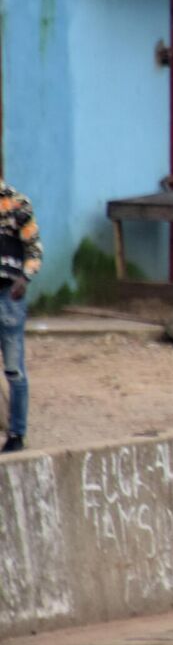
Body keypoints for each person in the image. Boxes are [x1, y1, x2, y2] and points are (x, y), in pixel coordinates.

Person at [0, 179, 39, 452]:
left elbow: (34, 248)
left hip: (8, 295)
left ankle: (17, 434)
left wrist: (24, 278)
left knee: (14, 369)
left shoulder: (17, 203)